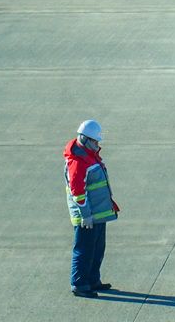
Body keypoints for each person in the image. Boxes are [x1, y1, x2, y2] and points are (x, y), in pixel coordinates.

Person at [64, 119, 119, 297]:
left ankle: (92, 280)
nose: (97, 143)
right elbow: (78, 192)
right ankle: (80, 284)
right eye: (95, 141)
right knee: (84, 250)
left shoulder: (89, 155)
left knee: (97, 248)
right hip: (88, 216)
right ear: (85, 139)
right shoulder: (78, 161)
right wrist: (85, 215)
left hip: (99, 213)